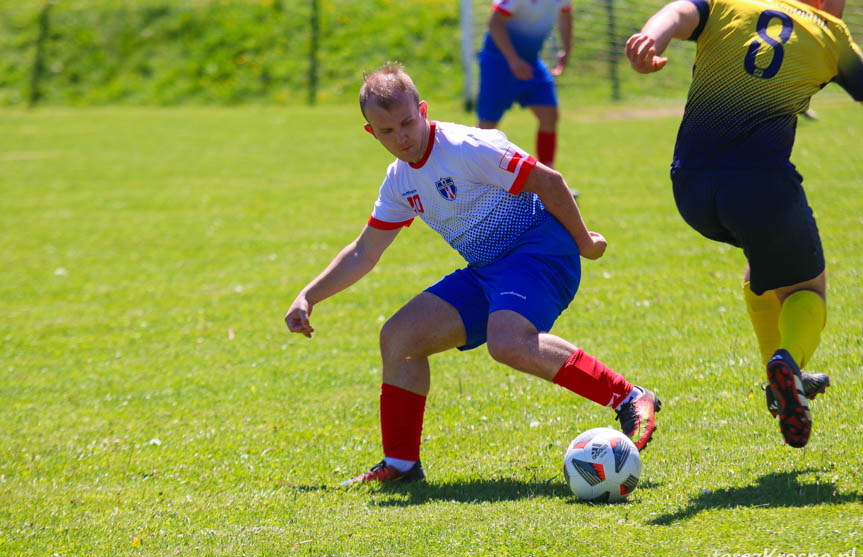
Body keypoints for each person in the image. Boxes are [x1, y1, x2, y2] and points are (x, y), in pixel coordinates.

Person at [285, 63, 660, 486]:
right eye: (387, 131)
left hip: (539, 251)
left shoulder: (466, 146)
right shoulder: (398, 182)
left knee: (507, 341)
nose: (402, 137)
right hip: (487, 271)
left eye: (408, 122)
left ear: (423, 110)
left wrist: (585, 242)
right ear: (371, 133)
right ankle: (402, 465)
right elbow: (363, 251)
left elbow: (549, 181)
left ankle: (629, 397)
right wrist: (308, 296)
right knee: (399, 338)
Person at [625, 0, 863, 448]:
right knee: (807, 289)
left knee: (764, 263)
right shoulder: (831, 33)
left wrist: (651, 38)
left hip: (690, 188)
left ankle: (782, 378)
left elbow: (678, 11)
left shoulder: (730, 3)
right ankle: (787, 363)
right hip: (759, 187)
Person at [477, 0, 572, 169]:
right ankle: (472, 178)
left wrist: (567, 49)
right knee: (486, 128)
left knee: (549, 115)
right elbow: (495, 22)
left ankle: (548, 177)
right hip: (498, 63)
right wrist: (513, 60)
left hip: (531, 63)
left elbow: (565, 15)